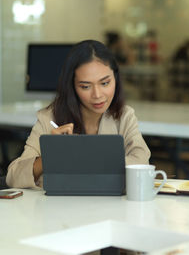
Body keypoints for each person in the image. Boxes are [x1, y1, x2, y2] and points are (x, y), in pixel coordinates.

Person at [6, 40, 150, 189]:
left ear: (116, 79)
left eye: (105, 83)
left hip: (109, 209)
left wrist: (85, 158)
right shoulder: (49, 118)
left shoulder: (125, 116)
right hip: (59, 210)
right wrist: (52, 155)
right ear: (72, 86)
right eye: (86, 86)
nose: (97, 95)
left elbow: (141, 164)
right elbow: (13, 177)